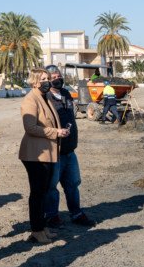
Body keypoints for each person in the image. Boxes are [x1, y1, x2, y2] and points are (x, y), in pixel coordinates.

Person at [20, 68, 69, 243]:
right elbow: (30, 127)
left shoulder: (44, 97)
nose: (48, 81)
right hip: (35, 155)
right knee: (37, 193)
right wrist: (55, 132)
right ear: (34, 82)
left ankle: (42, 227)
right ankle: (37, 230)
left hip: (47, 153)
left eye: (48, 78)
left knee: (43, 192)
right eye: (43, 79)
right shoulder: (30, 100)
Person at [43, 65, 93, 228]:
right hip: (54, 151)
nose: (57, 79)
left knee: (73, 184)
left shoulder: (65, 94)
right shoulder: (44, 97)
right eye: (53, 77)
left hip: (70, 151)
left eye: (58, 76)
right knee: (51, 187)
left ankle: (76, 213)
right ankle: (52, 216)